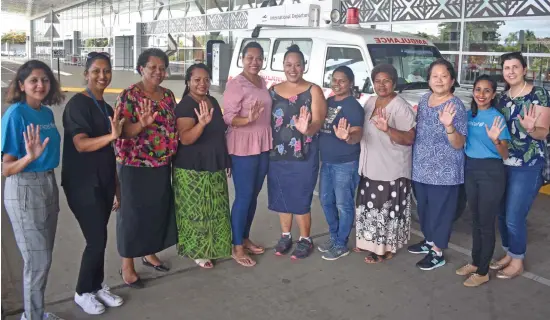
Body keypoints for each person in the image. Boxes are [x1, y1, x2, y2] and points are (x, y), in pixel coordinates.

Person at [61, 52, 125, 314]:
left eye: (106, 71)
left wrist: (116, 186)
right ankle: (81, 291)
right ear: (85, 75)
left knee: (100, 237)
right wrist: (111, 136)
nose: (102, 76)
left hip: (103, 181)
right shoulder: (77, 105)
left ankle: (96, 286)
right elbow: (81, 144)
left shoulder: (107, 108)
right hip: (81, 183)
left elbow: (110, 151)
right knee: (96, 238)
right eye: (96, 71)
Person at [1, 60, 64, 320]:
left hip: (47, 183)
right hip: (25, 186)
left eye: (45, 80)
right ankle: (33, 316)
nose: (40, 85)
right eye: (34, 80)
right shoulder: (16, 114)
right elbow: (6, 168)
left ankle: (35, 312)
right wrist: (28, 158)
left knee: (43, 257)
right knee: (36, 262)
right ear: (21, 85)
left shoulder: (46, 113)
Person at [115, 48, 178, 288]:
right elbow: (121, 132)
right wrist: (141, 125)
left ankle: (149, 253)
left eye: (162, 68)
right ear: (141, 68)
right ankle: (127, 265)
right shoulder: (129, 95)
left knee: (155, 212)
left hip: (161, 164)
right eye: (152, 67)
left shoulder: (168, 96)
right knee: (131, 215)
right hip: (134, 164)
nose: (158, 72)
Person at [491, 52, 550, 279]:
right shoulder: (502, 98)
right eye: (507, 68)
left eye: (516, 67)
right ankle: (509, 252)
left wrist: (531, 128)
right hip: (503, 162)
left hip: (528, 164)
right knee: (502, 213)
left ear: (524, 70)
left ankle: (518, 260)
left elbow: (543, 133)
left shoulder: (539, 95)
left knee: (515, 215)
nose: (511, 71)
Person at [407, 59, 468, 271]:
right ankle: (429, 241)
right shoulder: (425, 100)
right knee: (424, 208)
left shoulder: (456, 106)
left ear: (452, 80)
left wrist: (449, 125)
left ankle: (438, 252)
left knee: (441, 211)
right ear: (429, 80)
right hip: (421, 167)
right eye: (435, 76)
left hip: (444, 170)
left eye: (444, 76)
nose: (439, 80)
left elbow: (459, 143)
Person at [268, 44, 327, 259]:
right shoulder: (273, 91)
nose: (293, 69)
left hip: (304, 154)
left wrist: (307, 129)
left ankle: (305, 238)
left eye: (298, 65)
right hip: (277, 154)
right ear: (283, 66)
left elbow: (319, 121)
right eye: (288, 65)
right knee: (281, 194)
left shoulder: (313, 90)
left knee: (301, 197)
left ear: (304, 66)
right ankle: (285, 236)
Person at [354, 64, 416, 264]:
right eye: (377, 81)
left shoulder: (400, 106)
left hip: (390, 170)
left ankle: (384, 250)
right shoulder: (370, 102)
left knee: (385, 212)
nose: (381, 85)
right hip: (370, 166)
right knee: (372, 210)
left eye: (386, 80)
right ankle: (369, 242)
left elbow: (410, 138)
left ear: (394, 83)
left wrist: (388, 129)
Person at [173, 63, 232, 269]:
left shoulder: (212, 100)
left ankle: (213, 246)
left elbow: (219, 134)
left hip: (213, 165)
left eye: (206, 79)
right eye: (197, 80)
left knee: (214, 210)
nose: (202, 83)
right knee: (196, 212)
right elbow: (186, 139)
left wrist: (226, 159)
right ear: (188, 82)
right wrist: (202, 124)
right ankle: (197, 251)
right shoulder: (185, 106)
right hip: (192, 169)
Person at [455, 75, 510, 287]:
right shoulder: (468, 115)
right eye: (478, 89)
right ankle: (476, 262)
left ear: (493, 94)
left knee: (486, 223)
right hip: (471, 169)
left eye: (487, 91)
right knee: (476, 220)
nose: (481, 94)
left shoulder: (496, 118)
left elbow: (504, 154)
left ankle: (484, 271)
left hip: (491, 171)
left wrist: (496, 139)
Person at [223, 42, 272, 267]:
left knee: (253, 195)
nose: (255, 62)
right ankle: (236, 246)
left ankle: (244, 236)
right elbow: (229, 118)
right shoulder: (236, 84)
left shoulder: (262, 82)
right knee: (243, 196)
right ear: (242, 59)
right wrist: (248, 120)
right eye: (250, 58)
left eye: (259, 58)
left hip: (262, 144)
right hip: (243, 145)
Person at [317, 66, 364, 261]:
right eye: (334, 80)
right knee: (326, 201)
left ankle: (341, 243)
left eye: (342, 80)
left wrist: (348, 137)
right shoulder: (327, 102)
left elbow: (358, 134)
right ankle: (334, 236)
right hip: (326, 162)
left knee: (343, 205)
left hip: (345, 163)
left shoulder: (353, 106)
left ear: (350, 83)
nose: (337, 84)